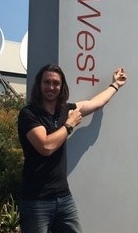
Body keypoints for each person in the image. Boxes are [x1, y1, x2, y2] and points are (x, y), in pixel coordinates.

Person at [17, 64, 127, 233]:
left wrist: (115, 85)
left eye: (56, 83)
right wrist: (69, 125)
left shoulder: (66, 110)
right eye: (47, 82)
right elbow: (46, 146)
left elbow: (96, 103)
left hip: (63, 197)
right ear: (39, 85)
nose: (51, 87)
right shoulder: (29, 113)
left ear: (61, 87)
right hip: (35, 201)